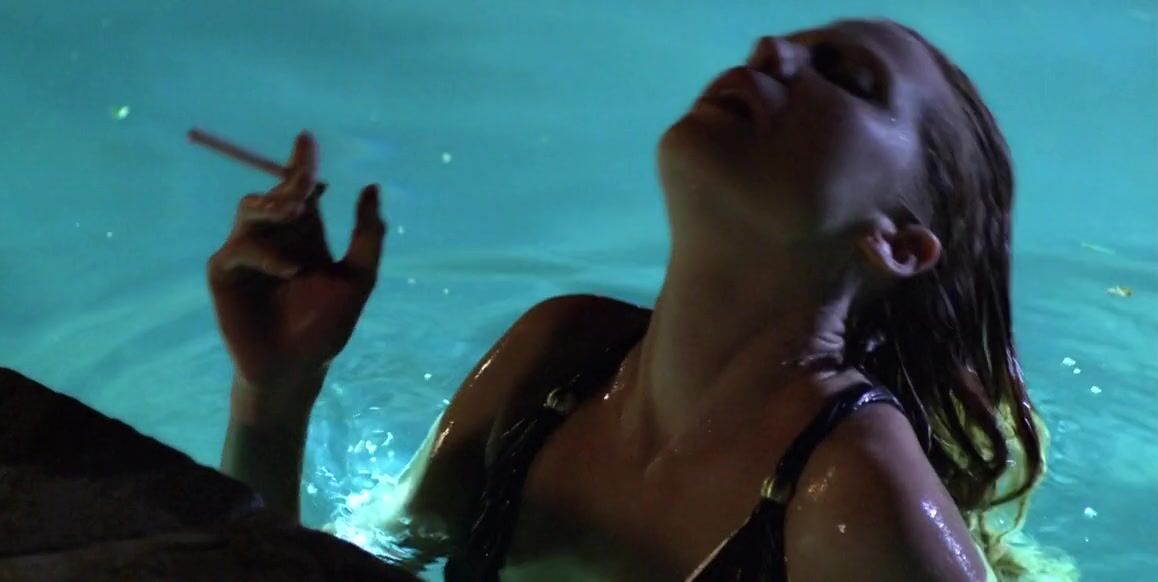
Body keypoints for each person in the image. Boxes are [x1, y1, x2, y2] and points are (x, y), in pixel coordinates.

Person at [209, 17, 1076, 581]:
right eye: (782, 44)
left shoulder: (851, 496)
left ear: (895, 242)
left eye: (844, 76)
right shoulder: (556, 359)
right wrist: (273, 398)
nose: (770, 50)